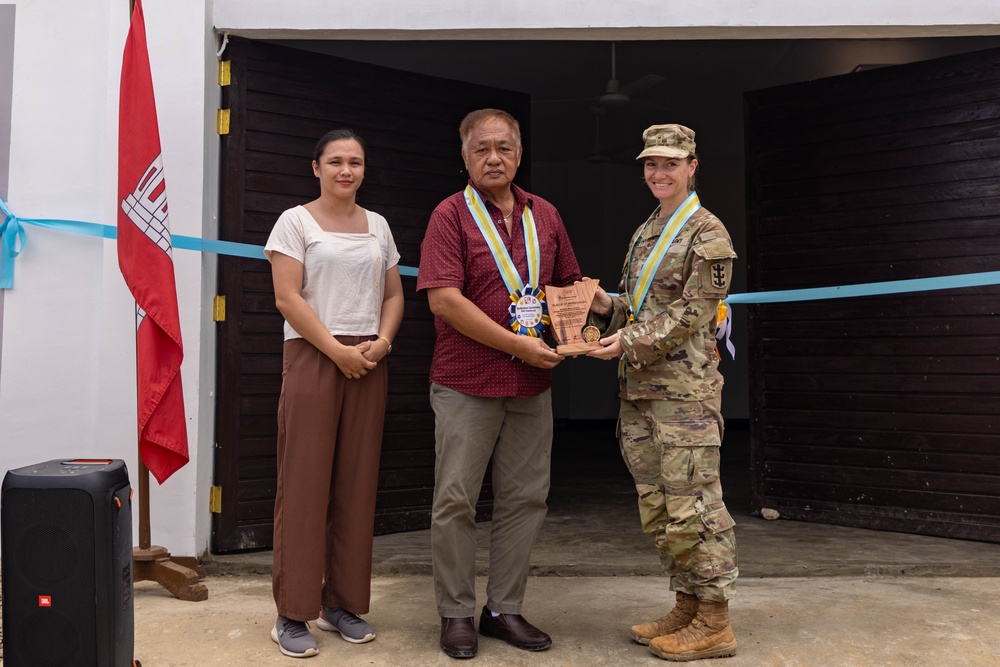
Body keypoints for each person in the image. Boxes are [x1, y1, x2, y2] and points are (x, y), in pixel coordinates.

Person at [417, 108, 584, 659]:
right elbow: (444, 300)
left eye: (504, 148)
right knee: (456, 502)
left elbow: (567, 287)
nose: (494, 158)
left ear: (519, 154)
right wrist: (518, 345)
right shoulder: (449, 216)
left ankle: (503, 609)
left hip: (532, 386)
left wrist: (578, 331)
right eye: (482, 148)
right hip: (467, 381)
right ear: (464, 156)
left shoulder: (547, 215)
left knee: (526, 499)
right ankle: (456, 614)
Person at [587, 124, 739, 661]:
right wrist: (608, 305)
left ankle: (715, 621)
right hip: (641, 391)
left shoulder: (707, 232)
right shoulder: (649, 229)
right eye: (651, 164)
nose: (659, 173)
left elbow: (695, 311)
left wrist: (625, 339)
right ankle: (688, 605)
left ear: (692, 166)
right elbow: (647, 304)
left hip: (685, 396)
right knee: (659, 505)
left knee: (695, 506)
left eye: (670, 164)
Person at [264, 129, 404, 658]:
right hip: (313, 355)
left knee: (356, 483)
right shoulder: (294, 221)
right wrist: (335, 351)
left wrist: (383, 342)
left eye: (356, 162)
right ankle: (291, 612)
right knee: (303, 485)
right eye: (336, 162)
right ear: (316, 167)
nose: (347, 170)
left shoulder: (379, 226)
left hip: (368, 359)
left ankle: (340, 603)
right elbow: (287, 297)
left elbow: (393, 293)